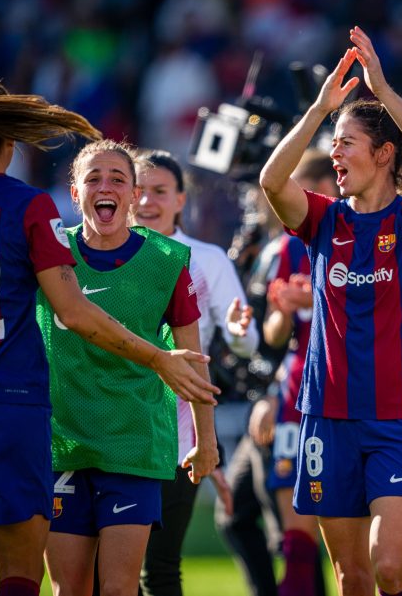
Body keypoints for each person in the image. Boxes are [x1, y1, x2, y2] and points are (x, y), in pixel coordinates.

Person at [0, 80, 218, 596]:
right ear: (10, 142)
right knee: (21, 574)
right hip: (5, 408)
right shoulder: (29, 207)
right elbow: (73, 312)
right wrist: (158, 357)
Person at [258, 26, 402, 596]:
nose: (334, 154)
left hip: (401, 419)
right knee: (353, 577)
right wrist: (322, 110)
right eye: (334, 143)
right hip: (326, 415)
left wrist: (383, 92)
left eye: (346, 143)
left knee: (391, 566)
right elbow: (273, 179)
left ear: (386, 153)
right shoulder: (324, 220)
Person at [39, 140, 222, 596]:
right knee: (69, 589)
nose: (106, 186)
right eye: (94, 178)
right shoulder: (47, 254)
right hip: (62, 442)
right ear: (75, 191)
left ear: (134, 192)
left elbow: (192, 361)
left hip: (136, 444)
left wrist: (206, 443)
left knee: (121, 588)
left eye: (118, 179)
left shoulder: (167, 261)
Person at [133, 149, 251, 596]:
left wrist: (240, 332)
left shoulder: (206, 259)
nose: (147, 201)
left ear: (181, 199)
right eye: (139, 190)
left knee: (159, 569)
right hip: (106, 426)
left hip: (179, 435)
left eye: (159, 192)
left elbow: (245, 341)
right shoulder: (92, 254)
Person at [250, 149, 338, 596]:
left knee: (360, 558)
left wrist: (318, 299)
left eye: (303, 190)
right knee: (297, 545)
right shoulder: (287, 247)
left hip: (351, 397)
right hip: (298, 395)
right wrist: (284, 311)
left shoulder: (357, 234)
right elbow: (272, 331)